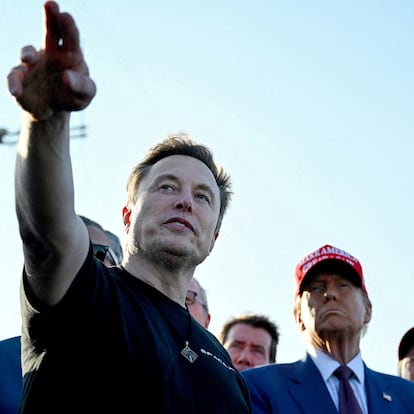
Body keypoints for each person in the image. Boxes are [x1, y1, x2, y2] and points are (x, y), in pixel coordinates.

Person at [7, 2, 251, 412]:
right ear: (127, 216)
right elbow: (45, 232)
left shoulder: (224, 365)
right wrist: (47, 119)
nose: (184, 201)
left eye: (203, 196)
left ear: (214, 238)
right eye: (167, 186)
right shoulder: (86, 294)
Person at [241, 244, 414, 413]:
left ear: (367, 310)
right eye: (316, 287)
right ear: (298, 317)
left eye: (343, 285)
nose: (330, 294)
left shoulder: (407, 396)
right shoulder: (258, 387)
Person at [0, 216, 123, 414]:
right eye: (64, 255)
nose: (78, 268)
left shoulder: (151, 374)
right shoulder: (3, 364)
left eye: (95, 254)